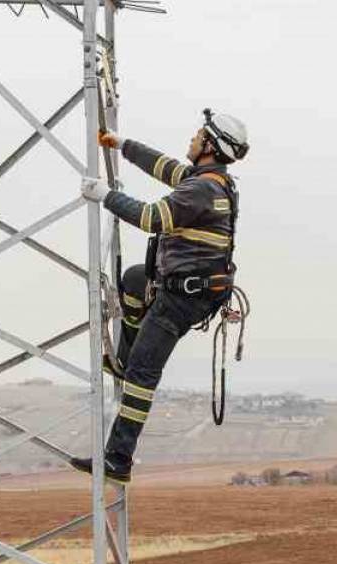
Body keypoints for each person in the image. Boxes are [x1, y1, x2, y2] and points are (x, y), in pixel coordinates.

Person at [74, 108, 249, 483]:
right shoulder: (210, 180)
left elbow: (152, 217)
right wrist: (121, 144)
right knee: (136, 279)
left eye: (198, 134)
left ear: (210, 145)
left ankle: (118, 459)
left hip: (182, 299)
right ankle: (123, 359)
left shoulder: (202, 189)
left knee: (143, 375)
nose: (192, 138)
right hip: (190, 289)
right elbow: (162, 166)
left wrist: (104, 195)